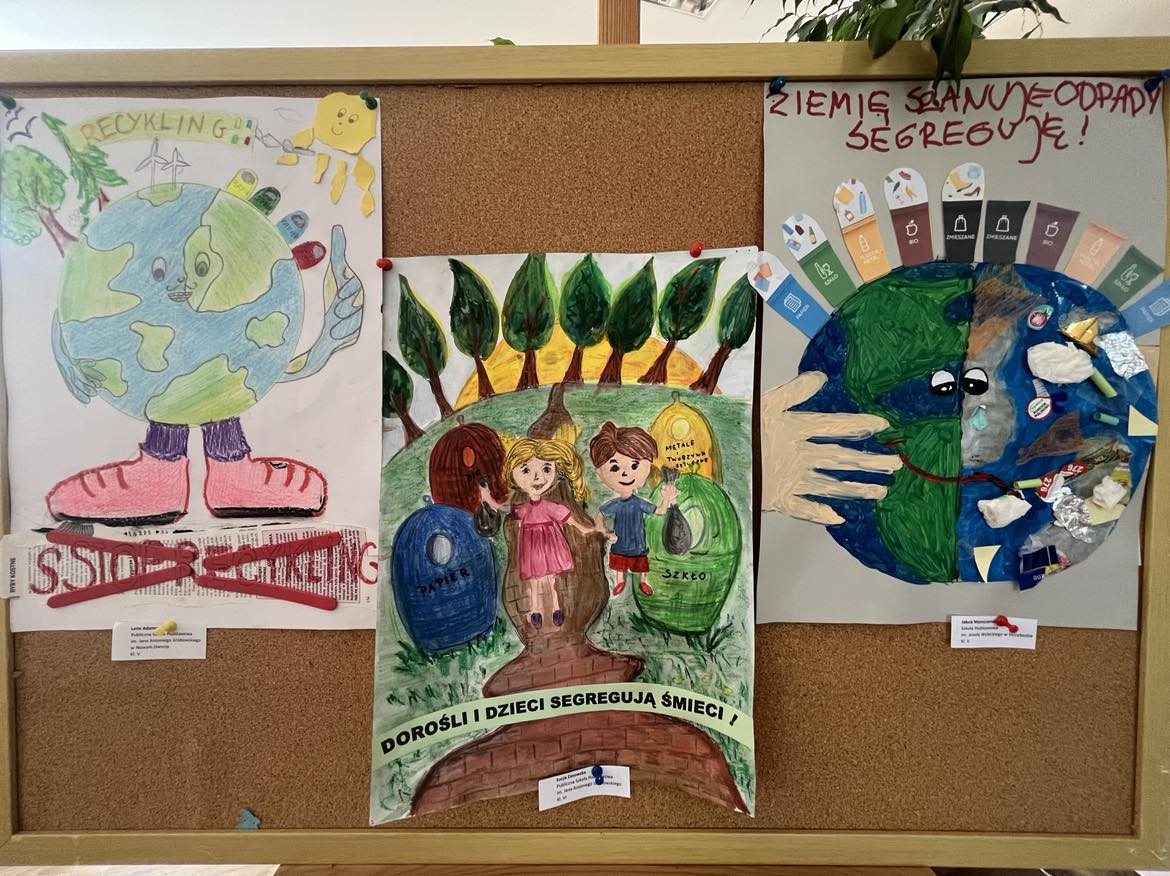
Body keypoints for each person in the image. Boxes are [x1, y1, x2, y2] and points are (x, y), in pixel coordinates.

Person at [479, 437, 598, 630]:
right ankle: (535, 611)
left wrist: (586, 529)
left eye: (546, 469)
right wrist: (487, 498)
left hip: (550, 546)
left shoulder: (550, 506)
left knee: (551, 580)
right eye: (526, 470)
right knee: (534, 582)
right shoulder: (524, 508)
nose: (537, 478)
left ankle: (556, 609)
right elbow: (504, 508)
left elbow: (569, 519)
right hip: (531, 548)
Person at [589, 421, 678, 598]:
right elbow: (599, 516)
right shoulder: (614, 504)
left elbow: (660, 511)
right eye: (615, 467)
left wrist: (667, 499)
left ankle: (643, 581)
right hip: (620, 544)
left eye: (634, 465)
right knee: (618, 563)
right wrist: (606, 533)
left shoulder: (639, 503)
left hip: (638, 545)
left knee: (641, 563)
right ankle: (619, 581)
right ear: (600, 473)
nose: (625, 473)